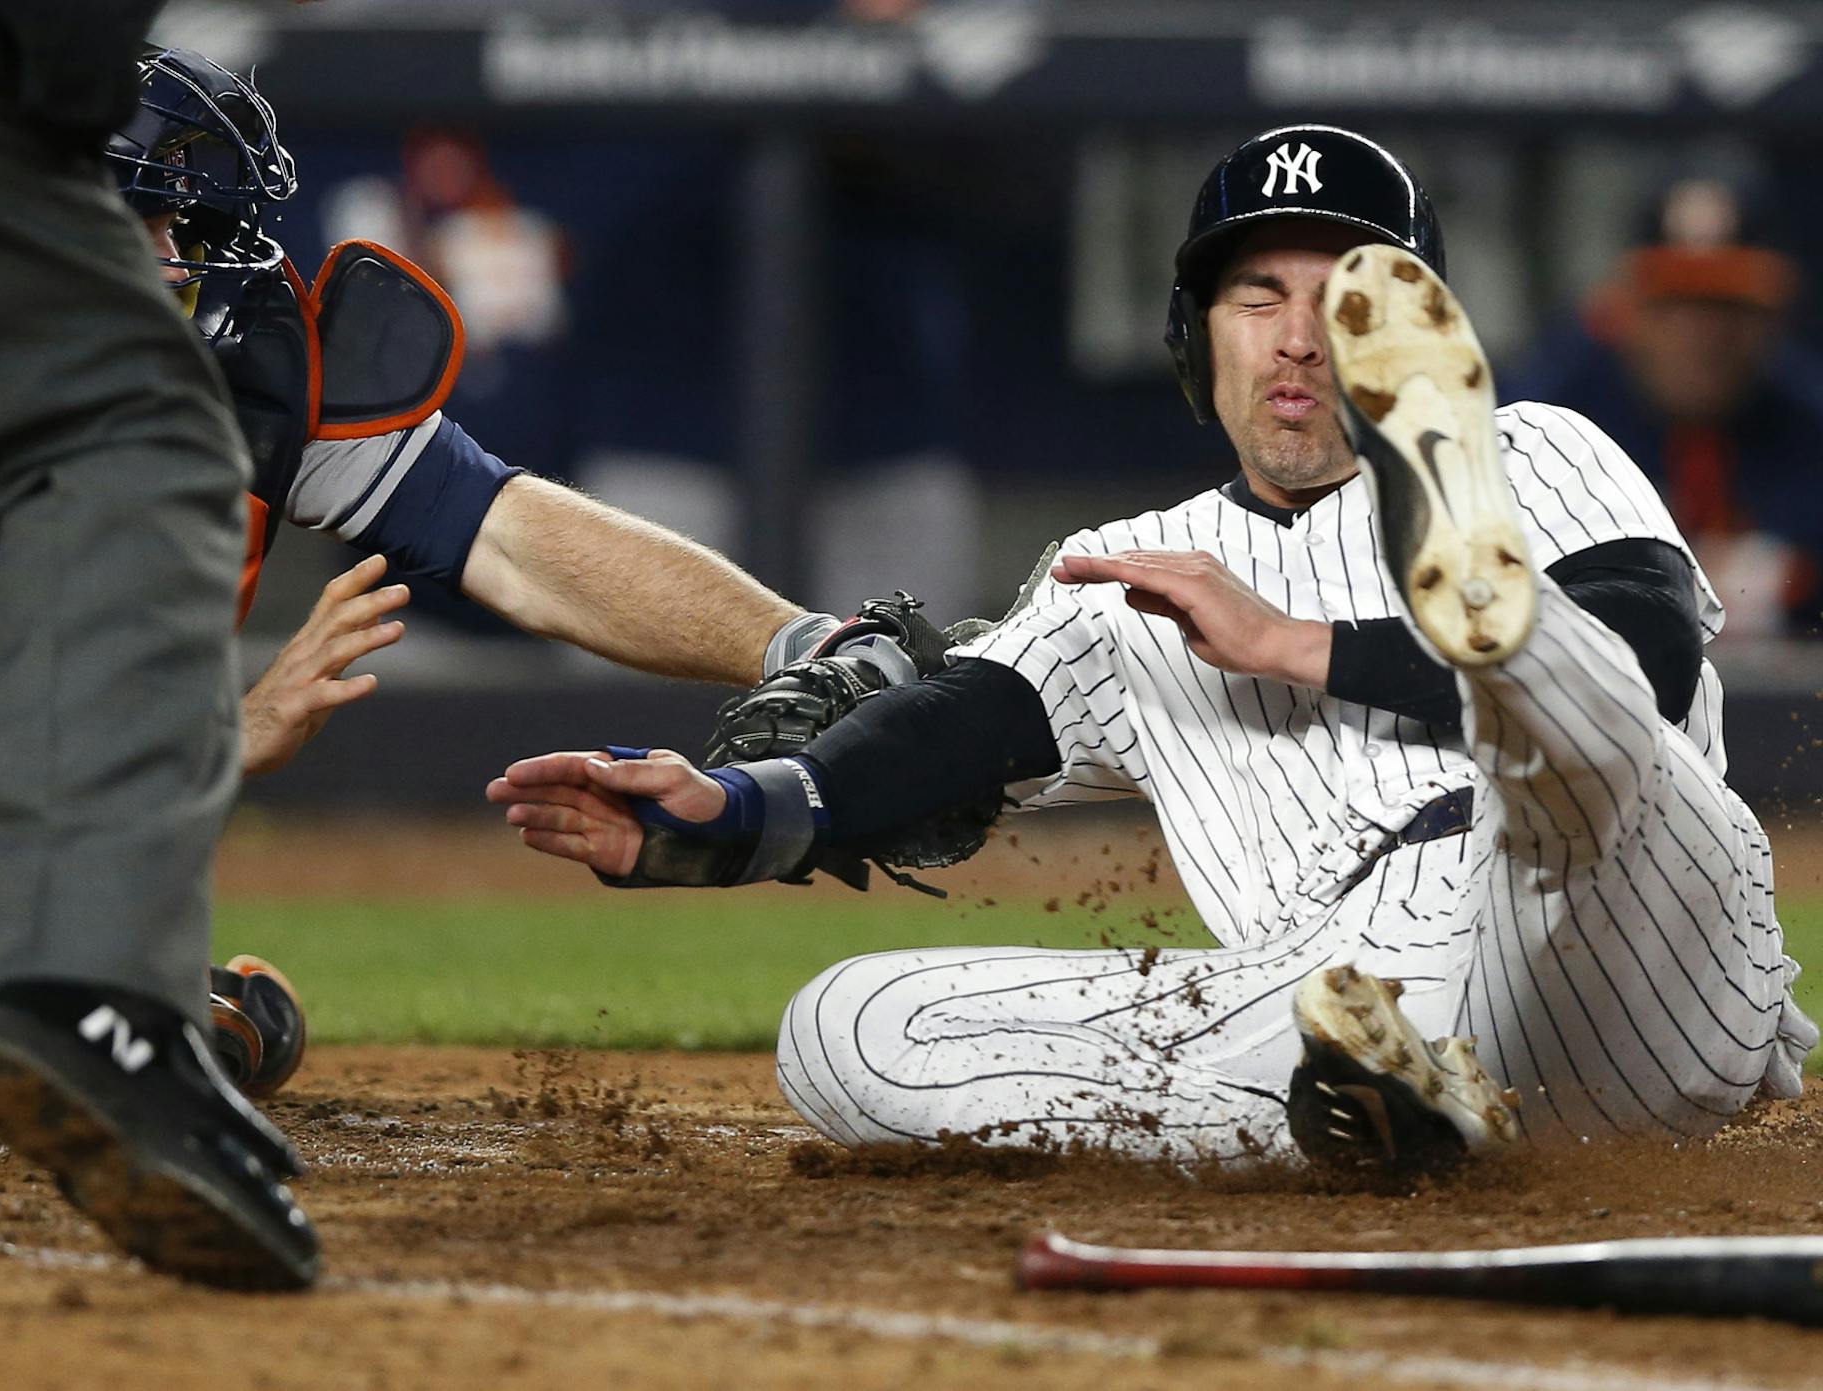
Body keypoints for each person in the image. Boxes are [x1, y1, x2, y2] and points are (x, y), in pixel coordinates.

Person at [0, 48, 825, 1288]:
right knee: (0, 1034)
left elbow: (516, 537)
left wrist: (797, 639)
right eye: (139, 211)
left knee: (92, 1004)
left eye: (181, 212)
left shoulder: (201, 349)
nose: (182, 249)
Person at [490, 125, 1817, 1179]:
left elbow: (1643, 663)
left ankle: (1339, 1065)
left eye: (1347, 298)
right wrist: (730, 814)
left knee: (1569, 718)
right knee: (848, 1032)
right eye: (1258, 296)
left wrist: (1297, 643)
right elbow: (959, 722)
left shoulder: (1537, 448)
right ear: (1199, 335)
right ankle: (1361, 1101)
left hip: (1630, 941)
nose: (1300, 335)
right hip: (1341, 1007)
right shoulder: (1133, 566)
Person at [1506, 175, 1823, 637]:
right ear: (1621, 310)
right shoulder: (1543, 419)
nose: (1702, 336)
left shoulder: (1807, 421)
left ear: (1773, 318)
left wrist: (1801, 584)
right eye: (1674, 304)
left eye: (1728, 306)